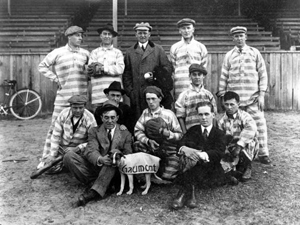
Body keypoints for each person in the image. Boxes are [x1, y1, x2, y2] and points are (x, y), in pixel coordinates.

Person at [217, 26, 271, 164]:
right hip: (235, 102)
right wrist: (223, 95)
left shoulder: (254, 52)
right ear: (232, 38)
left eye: (241, 36)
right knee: (235, 127)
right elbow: (224, 76)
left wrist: (261, 94)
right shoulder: (229, 55)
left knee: (259, 124)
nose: (239, 39)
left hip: (252, 98)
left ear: (246, 37)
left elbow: (263, 74)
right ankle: (238, 153)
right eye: (236, 36)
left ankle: (263, 153)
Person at [63, 100, 133, 207]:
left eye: (112, 117)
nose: (110, 121)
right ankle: (103, 185)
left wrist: (116, 157)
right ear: (101, 118)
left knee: (113, 155)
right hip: (97, 167)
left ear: (117, 118)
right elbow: (91, 150)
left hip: (115, 171)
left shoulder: (125, 133)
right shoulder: (94, 131)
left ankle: (92, 193)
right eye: (106, 117)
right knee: (68, 156)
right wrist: (100, 159)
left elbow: (128, 154)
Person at [38, 26, 90, 164]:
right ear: (69, 37)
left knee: (80, 129)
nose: (80, 38)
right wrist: (55, 79)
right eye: (77, 35)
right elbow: (42, 66)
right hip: (63, 98)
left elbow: (90, 73)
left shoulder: (85, 54)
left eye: (81, 35)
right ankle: (46, 159)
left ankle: (75, 160)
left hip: (80, 98)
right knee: (54, 127)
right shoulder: (58, 52)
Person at [171, 101, 226, 210]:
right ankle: (190, 192)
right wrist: (185, 149)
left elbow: (219, 152)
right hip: (194, 167)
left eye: (207, 114)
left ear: (213, 115)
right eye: (200, 114)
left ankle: (184, 192)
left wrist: (201, 154)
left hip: (211, 169)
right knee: (189, 161)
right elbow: (180, 143)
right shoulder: (193, 130)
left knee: (192, 165)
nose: (204, 118)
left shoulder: (219, 133)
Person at [123, 22, 173, 124]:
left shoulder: (158, 49)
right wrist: (130, 92)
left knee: (155, 121)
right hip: (137, 94)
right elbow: (126, 74)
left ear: (149, 34)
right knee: (139, 120)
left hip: (154, 91)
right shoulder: (130, 52)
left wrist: (155, 76)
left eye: (145, 33)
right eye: (139, 33)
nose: (142, 35)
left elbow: (168, 68)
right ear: (136, 34)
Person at [37, 95, 97, 173]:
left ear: (84, 107)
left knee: (76, 162)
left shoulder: (90, 117)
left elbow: (93, 140)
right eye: (75, 108)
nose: (78, 110)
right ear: (70, 106)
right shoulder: (63, 114)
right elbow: (56, 135)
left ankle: (67, 163)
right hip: (63, 147)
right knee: (51, 168)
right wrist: (53, 154)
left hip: (79, 149)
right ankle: (54, 161)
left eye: (81, 108)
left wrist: (78, 148)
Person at [134, 86, 183, 181]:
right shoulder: (145, 113)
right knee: (137, 145)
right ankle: (149, 172)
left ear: (160, 99)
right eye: (148, 99)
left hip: (168, 149)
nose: (151, 102)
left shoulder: (169, 114)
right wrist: (148, 141)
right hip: (151, 148)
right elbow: (137, 130)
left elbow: (179, 135)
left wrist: (169, 134)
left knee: (167, 176)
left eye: (153, 98)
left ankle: (160, 172)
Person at [218, 91, 259, 183]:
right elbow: (221, 137)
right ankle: (233, 171)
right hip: (231, 147)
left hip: (244, 146)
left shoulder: (245, 117)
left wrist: (239, 145)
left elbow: (251, 130)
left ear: (238, 104)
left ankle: (247, 166)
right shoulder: (221, 121)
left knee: (251, 141)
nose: (229, 107)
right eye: (226, 104)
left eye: (232, 104)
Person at [88, 23, 125, 110]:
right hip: (98, 94)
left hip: (114, 96)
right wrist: (111, 68)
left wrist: (103, 68)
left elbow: (120, 69)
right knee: (98, 121)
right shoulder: (94, 52)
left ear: (112, 37)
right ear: (100, 36)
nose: (107, 36)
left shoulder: (117, 52)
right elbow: (92, 70)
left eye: (109, 34)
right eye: (105, 34)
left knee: (114, 119)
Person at [170, 18, 208, 100]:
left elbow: (203, 68)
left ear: (193, 29)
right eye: (183, 28)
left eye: (188, 28)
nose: (186, 31)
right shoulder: (175, 47)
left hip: (196, 83)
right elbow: (173, 68)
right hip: (180, 84)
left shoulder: (201, 47)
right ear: (179, 30)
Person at [175, 63, 217, 134]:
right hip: (191, 132)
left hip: (207, 132)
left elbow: (214, 115)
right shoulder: (184, 95)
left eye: (199, 74)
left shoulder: (208, 94)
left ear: (203, 76)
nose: (197, 77)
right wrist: (185, 133)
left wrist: (213, 131)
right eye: (194, 74)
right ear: (190, 76)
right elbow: (180, 117)